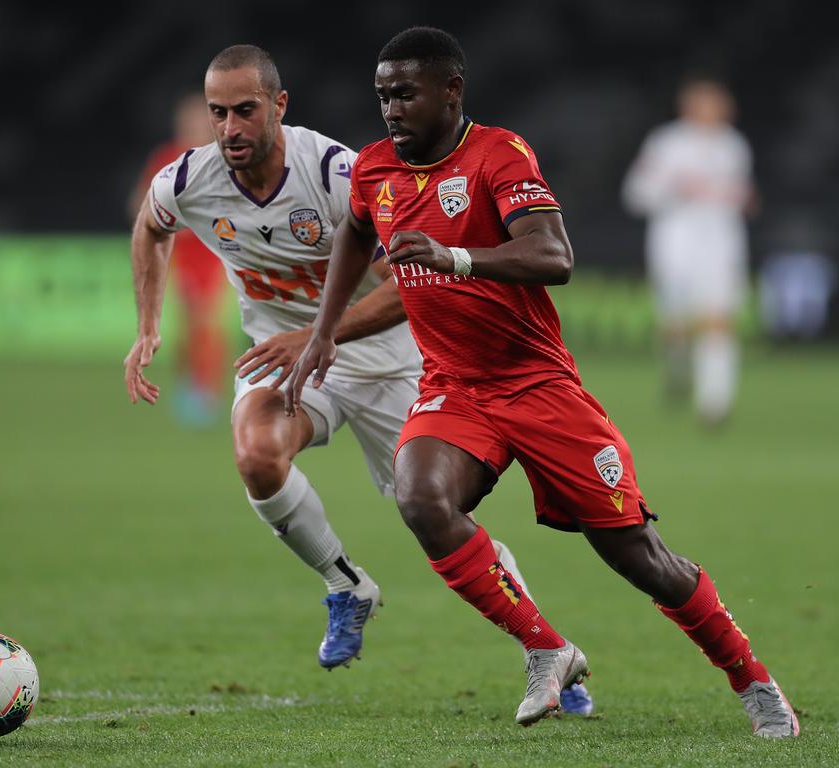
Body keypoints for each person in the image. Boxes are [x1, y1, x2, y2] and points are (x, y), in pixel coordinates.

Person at [288, 27, 797, 737]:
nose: (392, 110)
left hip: (538, 386)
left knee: (639, 559)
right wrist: (322, 331)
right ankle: (546, 647)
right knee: (422, 498)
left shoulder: (499, 153)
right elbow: (353, 231)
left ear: (451, 90)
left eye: (405, 94)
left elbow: (555, 256)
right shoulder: (375, 168)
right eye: (383, 96)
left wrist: (453, 258)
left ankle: (752, 679)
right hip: (456, 388)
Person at [123, 43, 592, 713]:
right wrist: (148, 326)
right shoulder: (189, 179)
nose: (229, 128)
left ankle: (546, 652)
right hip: (288, 361)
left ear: (279, 107)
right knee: (257, 454)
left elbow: (412, 286)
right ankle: (346, 586)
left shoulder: (338, 173)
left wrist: (318, 334)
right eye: (218, 113)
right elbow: (150, 226)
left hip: (392, 361)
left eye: (245, 111)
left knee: (441, 517)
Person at [621, 77, 756, 427]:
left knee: (718, 320)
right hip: (675, 242)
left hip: (722, 243)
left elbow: (741, 195)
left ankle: (715, 403)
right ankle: (677, 371)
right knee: (675, 324)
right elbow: (636, 193)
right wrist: (674, 189)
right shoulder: (667, 143)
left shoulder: (734, 146)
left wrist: (743, 200)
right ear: (689, 107)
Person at [128, 92, 228, 427]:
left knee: (205, 321)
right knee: (187, 326)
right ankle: (191, 386)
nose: (195, 125)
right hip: (177, 255)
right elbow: (139, 205)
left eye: (201, 119)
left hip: (215, 253)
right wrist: (162, 224)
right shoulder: (167, 157)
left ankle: (205, 392)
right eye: (189, 119)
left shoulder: (222, 158)